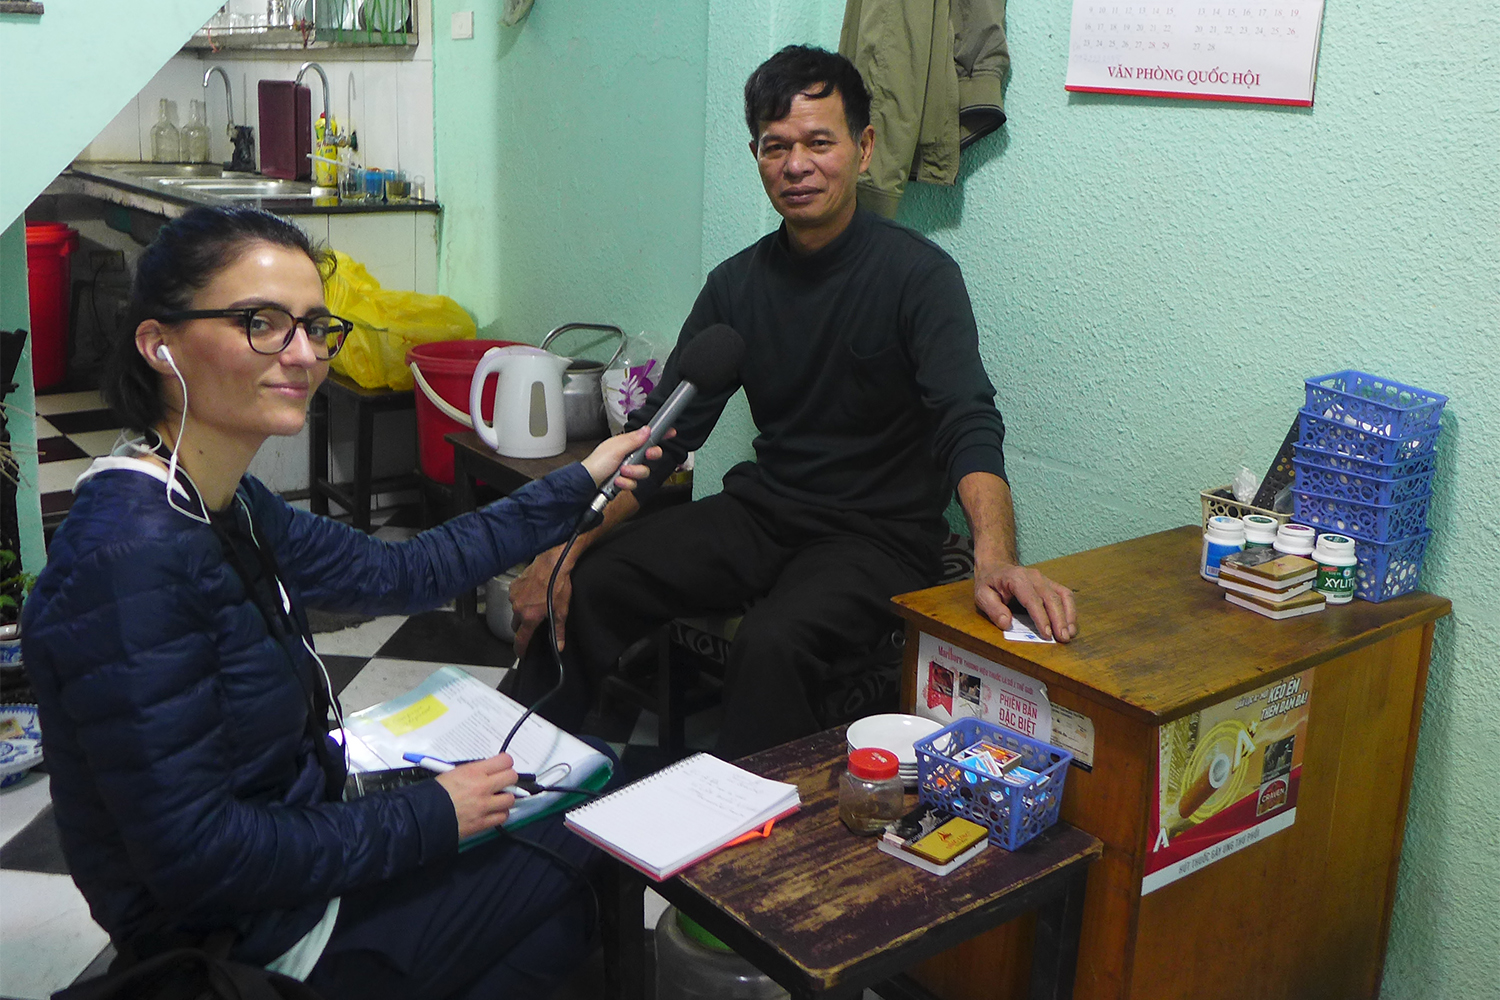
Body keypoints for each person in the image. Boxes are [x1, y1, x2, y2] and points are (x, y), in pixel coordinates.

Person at [20, 206, 664, 1000]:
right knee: (591, 836)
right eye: (261, 323)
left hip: (293, 869)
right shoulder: (132, 560)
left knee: (557, 845)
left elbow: (404, 572)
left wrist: (580, 480)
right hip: (245, 939)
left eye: (316, 326)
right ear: (159, 344)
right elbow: (196, 859)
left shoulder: (222, 500)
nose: (302, 354)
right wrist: (431, 817)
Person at [510, 45, 1077, 760]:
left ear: (863, 148)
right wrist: (566, 549)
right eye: (776, 147)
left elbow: (968, 421)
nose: (797, 165)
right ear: (756, 155)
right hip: (764, 513)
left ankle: (747, 851)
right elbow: (662, 442)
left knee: (772, 645)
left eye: (819, 142)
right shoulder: (735, 286)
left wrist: (996, 555)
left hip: (878, 538)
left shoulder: (919, 278)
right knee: (597, 580)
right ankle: (524, 774)